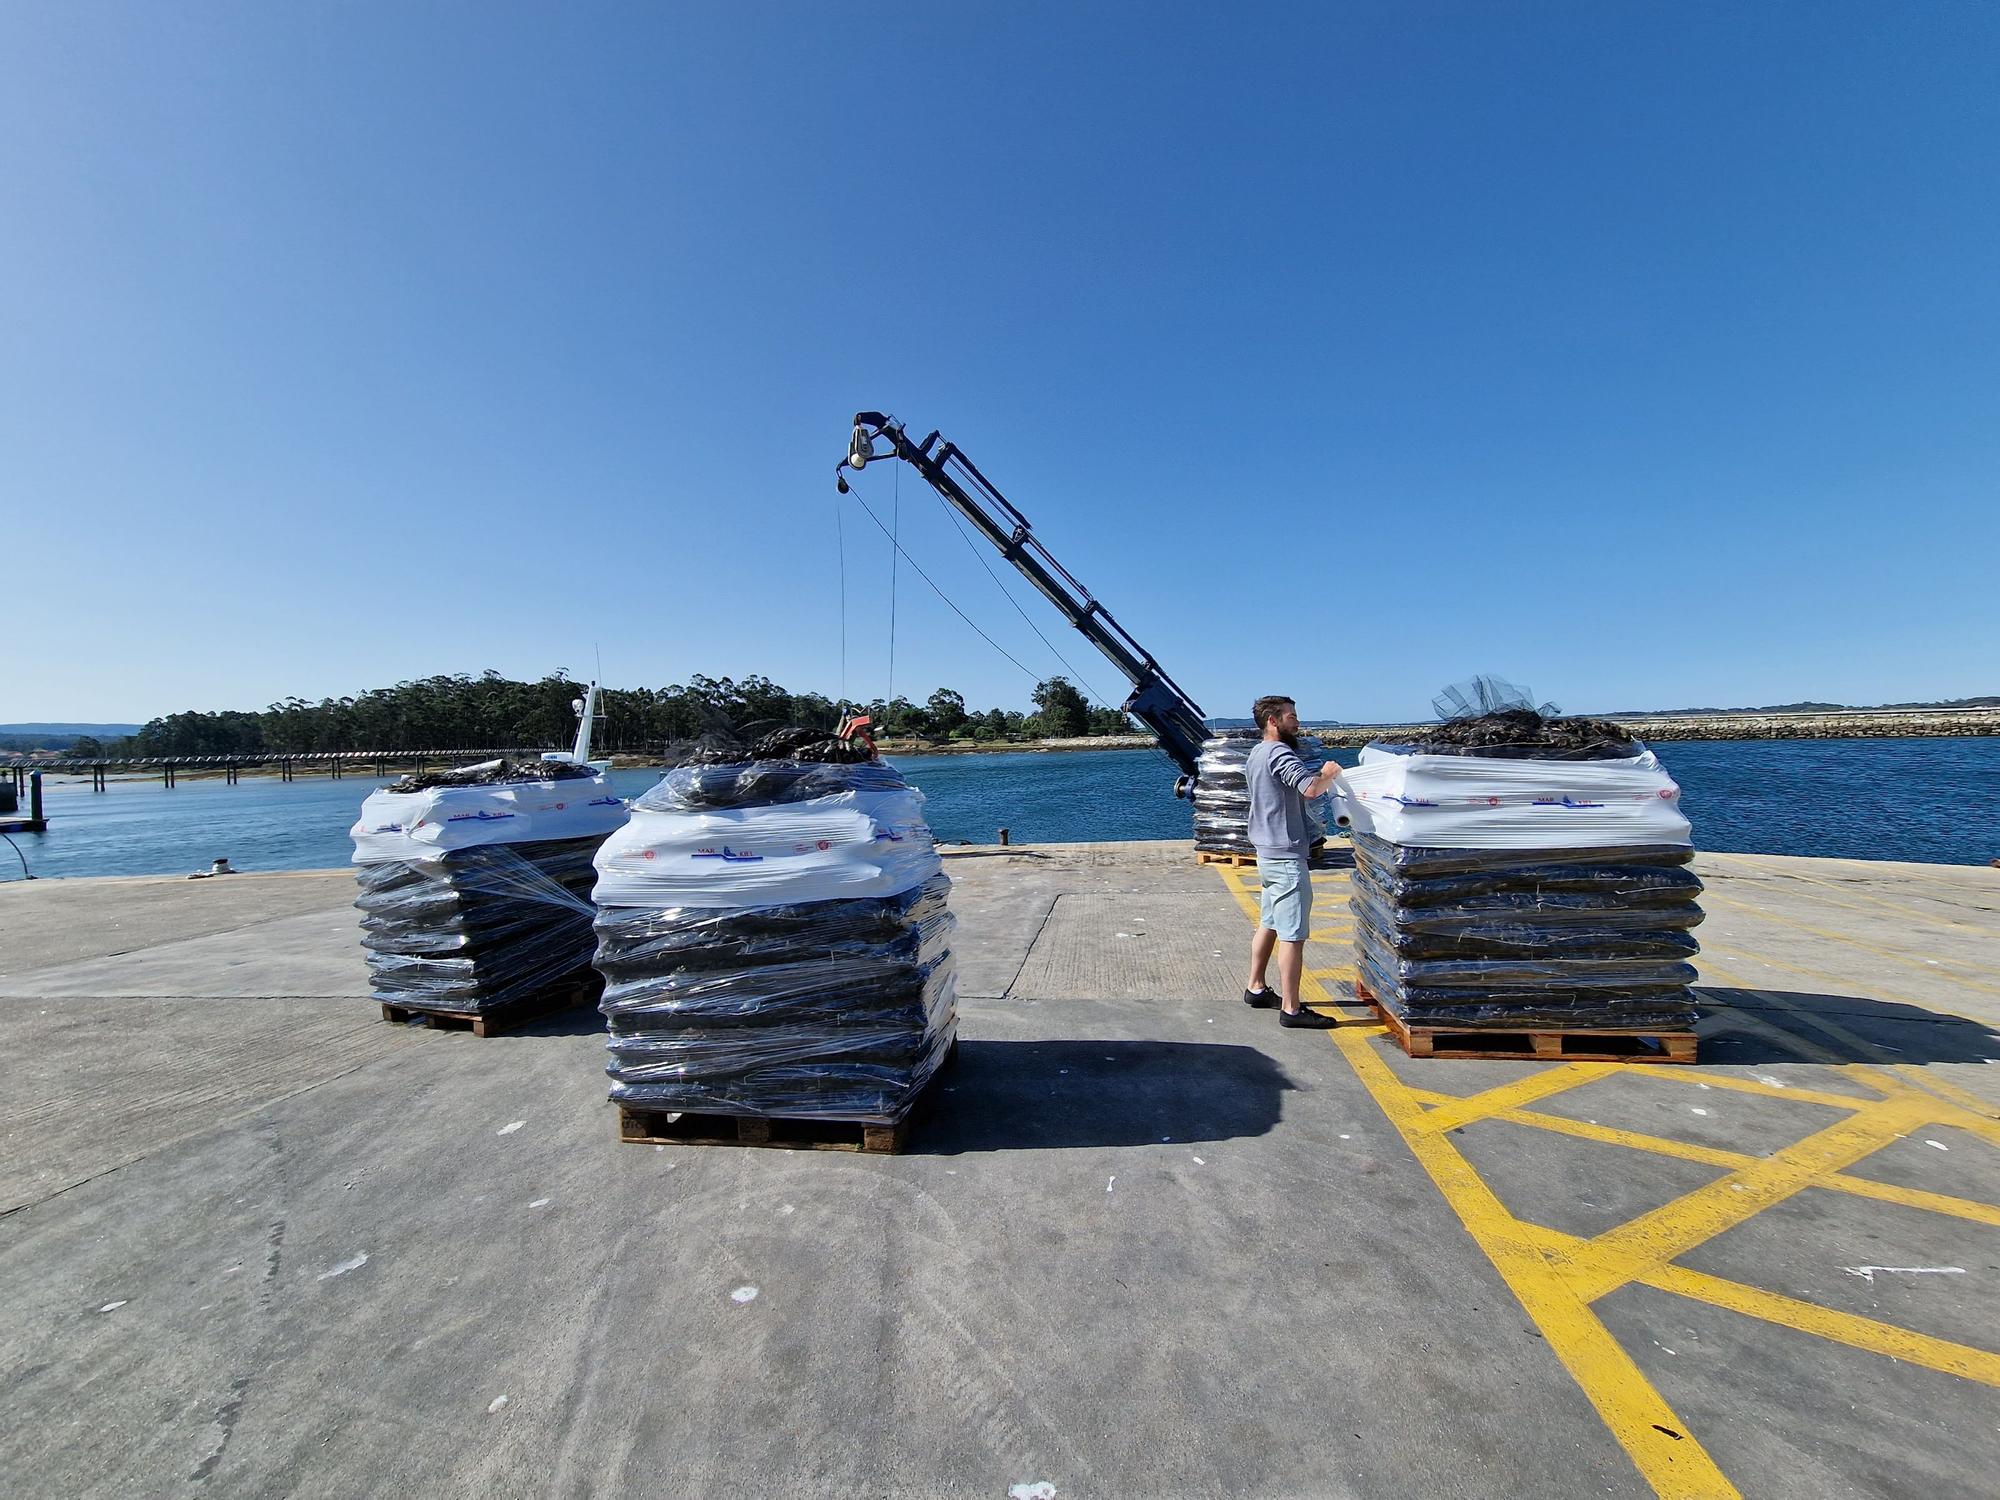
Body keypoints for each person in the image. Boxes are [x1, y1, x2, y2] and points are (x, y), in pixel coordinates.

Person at [1241, 695, 1344, 1027]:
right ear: (1274, 721)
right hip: (1286, 856)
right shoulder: (1279, 752)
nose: (1297, 722)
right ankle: (1292, 1009)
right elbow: (1310, 790)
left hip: (1266, 852)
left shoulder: (1256, 754)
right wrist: (1327, 773)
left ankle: (1255, 987)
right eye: (1292, 716)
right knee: (1292, 934)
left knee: (1269, 922)